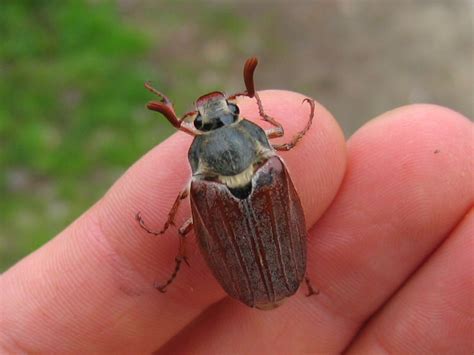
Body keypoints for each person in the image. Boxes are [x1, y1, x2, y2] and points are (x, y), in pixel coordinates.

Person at [1, 91, 472, 353]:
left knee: (184, 225)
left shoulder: (197, 182)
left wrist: (170, 225)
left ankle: (177, 249)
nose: (213, 116)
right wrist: (266, 114)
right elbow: (284, 136)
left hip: (247, 277)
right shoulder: (270, 157)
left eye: (218, 116)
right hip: (279, 269)